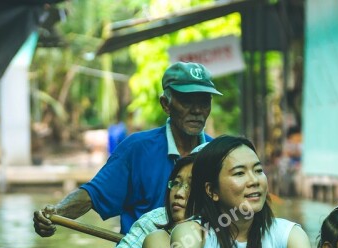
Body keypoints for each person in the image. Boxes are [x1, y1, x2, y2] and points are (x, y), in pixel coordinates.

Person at [33, 62, 221, 237]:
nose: (197, 111)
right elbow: (92, 195)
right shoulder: (137, 149)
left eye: (204, 102)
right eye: (187, 101)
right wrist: (56, 214)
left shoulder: (218, 154)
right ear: (166, 105)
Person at [156, 135, 326, 248]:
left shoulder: (287, 232)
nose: (254, 181)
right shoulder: (191, 232)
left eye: (258, 170)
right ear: (212, 190)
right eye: (239, 173)